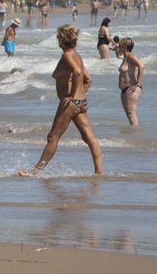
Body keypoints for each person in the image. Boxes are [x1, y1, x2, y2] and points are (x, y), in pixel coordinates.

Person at [19, 24, 103, 176]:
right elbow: (88, 79)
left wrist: (72, 96)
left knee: (53, 137)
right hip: (81, 103)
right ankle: (99, 171)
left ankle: (35, 171)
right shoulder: (77, 55)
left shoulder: (67, 55)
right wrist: (79, 96)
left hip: (71, 103)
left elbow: (77, 73)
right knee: (89, 137)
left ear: (61, 40)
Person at [117, 37, 144, 127]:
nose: (118, 47)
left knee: (131, 113)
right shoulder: (125, 57)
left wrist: (138, 83)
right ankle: (133, 137)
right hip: (126, 90)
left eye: (120, 45)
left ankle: (135, 136)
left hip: (131, 88)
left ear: (125, 46)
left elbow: (142, 66)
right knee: (129, 114)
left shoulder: (130, 56)